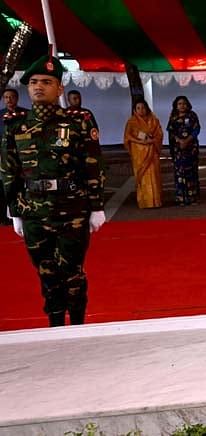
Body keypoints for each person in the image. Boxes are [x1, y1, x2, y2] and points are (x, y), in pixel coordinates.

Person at [0, 51, 106, 326]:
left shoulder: (78, 121)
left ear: (59, 87)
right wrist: (15, 212)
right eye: (34, 81)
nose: (38, 86)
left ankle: (79, 324)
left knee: (72, 272)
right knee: (46, 273)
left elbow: (92, 165)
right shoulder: (15, 124)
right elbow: (9, 169)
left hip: (72, 210)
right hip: (34, 210)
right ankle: (56, 326)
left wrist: (97, 206)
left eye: (46, 82)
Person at [123, 99, 163, 208]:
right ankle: (145, 202)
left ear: (147, 108)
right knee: (143, 176)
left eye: (143, 108)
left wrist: (152, 141)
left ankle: (156, 201)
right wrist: (140, 141)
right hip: (139, 154)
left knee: (154, 175)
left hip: (152, 151)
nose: (141, 110)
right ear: (135, 110)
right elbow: (127, 137)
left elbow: (159, 135)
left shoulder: (154, 120)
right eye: (138, 108)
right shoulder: (131, 122)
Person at [166, 96, 201, 206]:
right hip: (178, 150)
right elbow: (171, 132)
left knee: (191, 172)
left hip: (191, 149)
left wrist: (187, 140)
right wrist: (180, 141)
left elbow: (196, 129)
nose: (182, 105)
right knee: (179, 173)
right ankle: (181, 198)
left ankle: (192, 198)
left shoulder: (192, 115)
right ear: (176, 106)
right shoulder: (173, 118)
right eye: (180, 103)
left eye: (184, 103)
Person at [0, 88, 28, 225]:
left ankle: (21, 213)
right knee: (3, 187)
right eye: (6, 97)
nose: (9, 100)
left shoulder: (25, 114)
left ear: (16, 98)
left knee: (21, 186)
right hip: (2, 158)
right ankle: (4, 218)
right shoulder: (0, 115)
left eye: (12, 97)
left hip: (22, 157)